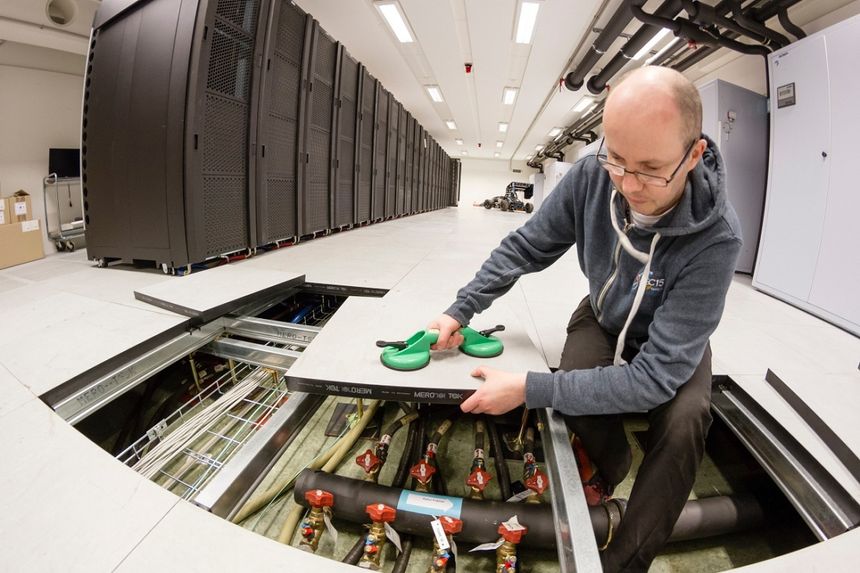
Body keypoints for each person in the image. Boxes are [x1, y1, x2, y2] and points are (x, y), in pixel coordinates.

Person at [429, 66, 742, 572]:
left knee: (685, 422)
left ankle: (623, 561)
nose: (627, 182)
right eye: (616, 158)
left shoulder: (717, 238)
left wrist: (531, 388)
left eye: (649, 168)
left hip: (670, 341)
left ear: (694, 155)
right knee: (576, 383)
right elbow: (526, 247)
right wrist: (459, 309)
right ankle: (612, 462)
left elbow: (656, 378)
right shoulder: (592, 176)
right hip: (602, 315)